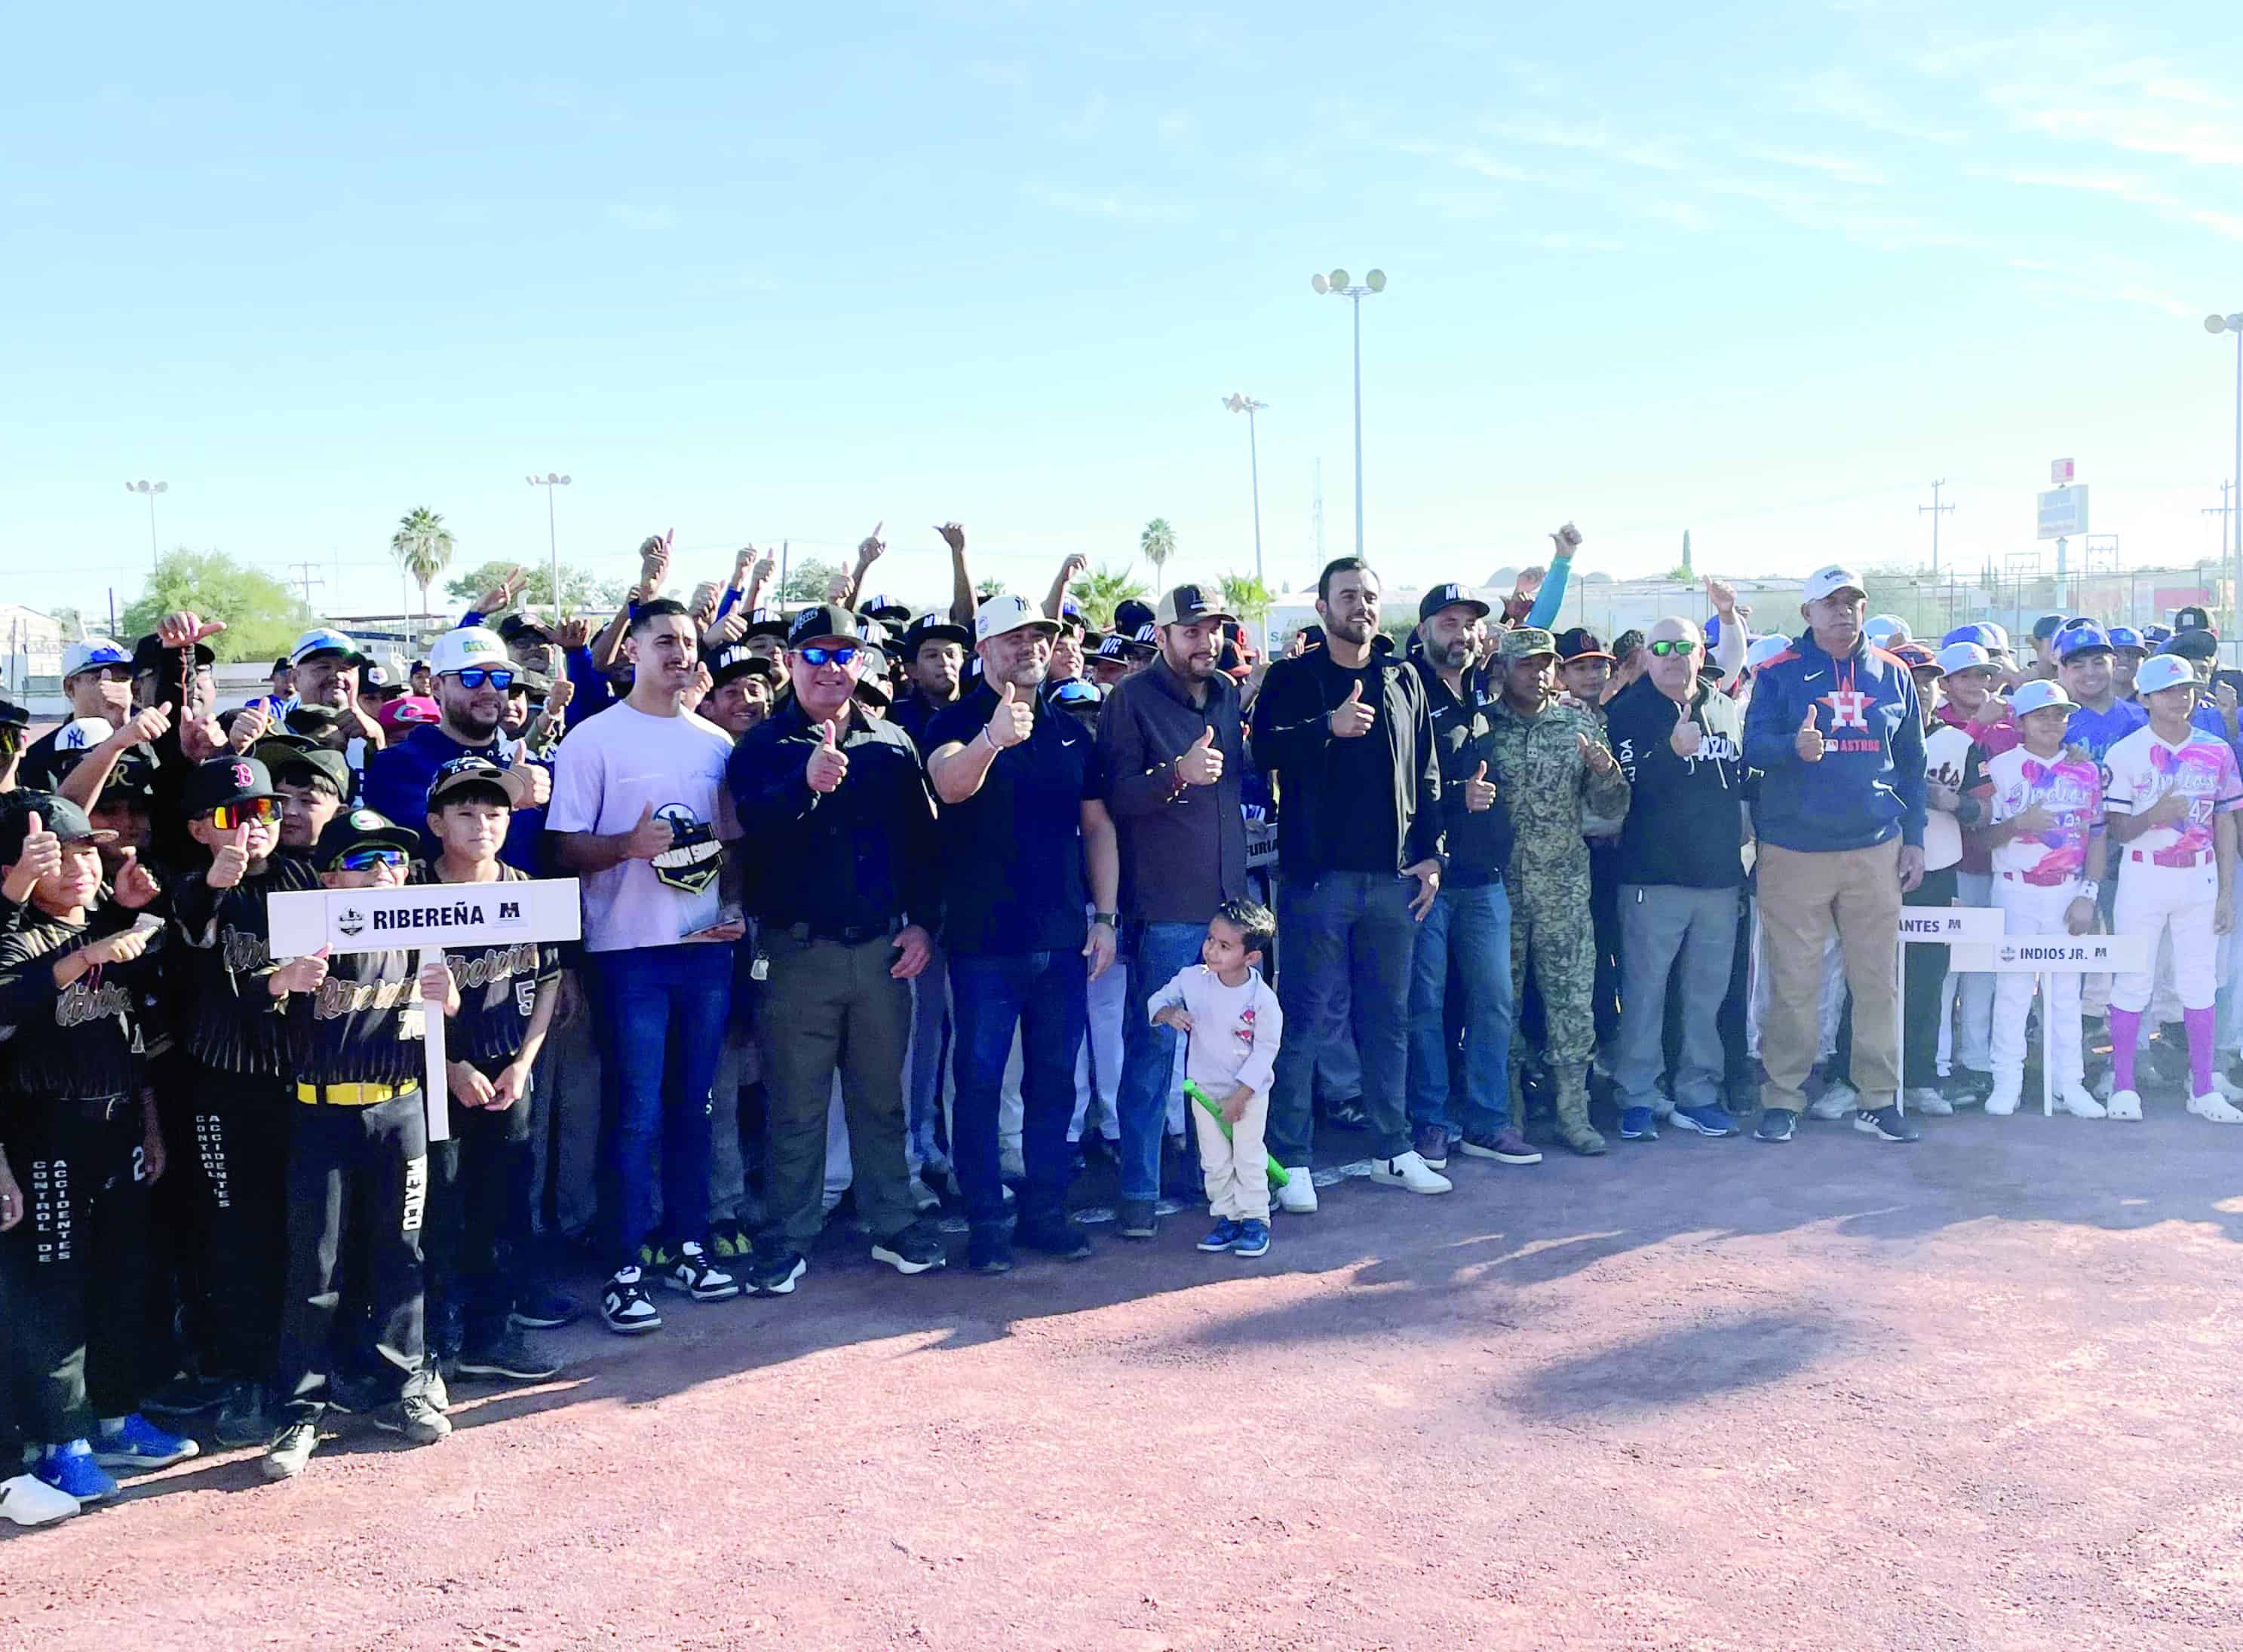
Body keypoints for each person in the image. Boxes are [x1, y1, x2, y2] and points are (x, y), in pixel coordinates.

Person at [729, 605, 945, 1291]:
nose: (829, 669)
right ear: (790, 663)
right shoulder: (761, 745)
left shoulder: (893, 743)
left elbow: (922, 847)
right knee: (796, 1105)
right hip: (796, 954)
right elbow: (752, 823)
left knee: (881, 1099)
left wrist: (924, 924)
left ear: (863, 665)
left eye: (843, 655)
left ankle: (891, 1223)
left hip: (883, 951)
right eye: (814, 655)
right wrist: (806, 782)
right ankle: (788, 1236)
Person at [548, 598, 746, 1334]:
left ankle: (689, 1244)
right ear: (630, 650)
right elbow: (564, 846)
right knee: (633, 1111)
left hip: (703, 952)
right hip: (626, 952)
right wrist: (625, 848)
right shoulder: (593, 739)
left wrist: (733, 907)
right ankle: (624, 1263)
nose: (677, 652)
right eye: (663, 640)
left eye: (687, 641)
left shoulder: (714, 742)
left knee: (692, 1104)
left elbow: (729, 843)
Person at [0, 793, 192, 1504]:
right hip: (45, 1129)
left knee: (120, 1276)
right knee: (54, 1288)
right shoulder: (19, 938)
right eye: (61, 851)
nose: (82, 864)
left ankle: (114, 1414)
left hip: (116, 1127)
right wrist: (87, 950)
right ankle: (60, 1437)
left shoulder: (112, 931)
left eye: (88, 850)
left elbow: (138, 1038)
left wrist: (148, 1122)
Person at [925, 595, 1120, 1272]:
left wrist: (1106, 916)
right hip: (984, 944)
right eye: (1012, 638)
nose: (1029, 647)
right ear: (983, 649)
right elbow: (949, 784)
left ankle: (1045, 1211)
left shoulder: (1070, 729)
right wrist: (991, 740)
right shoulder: (952, 719)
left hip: (1063, 939)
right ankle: (985, 1219)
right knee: (978, 1084)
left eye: (1039, 636)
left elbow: (1096, 827)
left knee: (1054, 1085)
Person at [260, 809, 456, 1479]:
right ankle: (300, 1409)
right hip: (322, 1114)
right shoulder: (303, 933)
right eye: (362, 859)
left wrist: (447, 998)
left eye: (393, 859)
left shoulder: (423, 929)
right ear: (327, 875)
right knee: (315, 1267)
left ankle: (403, 1385)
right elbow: (235, 1011)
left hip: (400, 1107)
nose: (381, 871)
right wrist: (279, 984)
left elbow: (443, 1014)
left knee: (401, 1251)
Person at [1248, 557, 1446, 1200]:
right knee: (1303, 1022)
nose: (1359, 605)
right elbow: (1264, 751)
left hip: (1393, 883)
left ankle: (1393, 1148)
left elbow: (1428, 773)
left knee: (1389, 1020)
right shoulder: (1293, 676)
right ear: (1322, 608)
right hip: (1318, 882)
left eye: (1368, 595)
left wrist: (1432, 854)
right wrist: (1325, 729)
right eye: (1346, 596)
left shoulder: (1403, 677)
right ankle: (1293, 1160)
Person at [166, 756, 322, 1448]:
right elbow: (191, 959)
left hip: (297, 1078)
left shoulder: (299, 874)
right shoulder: (189, 887)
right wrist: (209, 888)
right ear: (201, 827)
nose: (255, 825)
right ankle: (239, 1376)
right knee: (233, 1235)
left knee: (300, 1227)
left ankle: (296, 1371)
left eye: (264, 810)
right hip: (222, 1086)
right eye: (233, 815)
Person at [1741, 564, 1928, 1145]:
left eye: (1853, 601)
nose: (1843, 611)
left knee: (1877, 982)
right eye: (1831, 602)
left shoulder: (1894, 673)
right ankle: (1783, 1097)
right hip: (1794, 849)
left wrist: (1915, 838)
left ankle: (1877, 1096)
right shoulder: (1778, 673)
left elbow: (1913, 766)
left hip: (1875, 848)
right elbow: (1752, 748)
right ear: (1808, 614)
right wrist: (1792, 747)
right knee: (1794, 981)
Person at [1095, 584, 1251, 1237]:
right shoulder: (1127, 700)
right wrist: (1177, 774)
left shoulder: (1224, 693)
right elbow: (1111, 800)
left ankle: (1205, 1177)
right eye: (1190, 631)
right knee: (1155, 1051)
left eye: (1212, 629)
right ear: (1161, 637)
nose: (1204, 641)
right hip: (1165, 910)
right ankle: (1138, 1191)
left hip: (1226, 909)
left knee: (1219, 1055)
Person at [415, 757, 563, 1383]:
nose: (482, 825)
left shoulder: (527, 887)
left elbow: (550, 979)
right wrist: (448, 1064)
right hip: (430, 1070)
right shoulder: (411, 893)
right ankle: (436, 1341)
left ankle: (490, 1334)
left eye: (495, 812)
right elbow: (388, 990)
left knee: (503, 1203)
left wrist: (525, 1062)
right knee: (438, 1208)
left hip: (508, 1071)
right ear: (436, 821)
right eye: (466, 812)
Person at [1484, 627, 1632, 1154]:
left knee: (1572, 1004)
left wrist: (1604, 770)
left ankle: (1575, 1113)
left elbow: (1613, 808)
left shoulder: (1578, 723)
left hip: (1564, 888)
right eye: (1527, 665)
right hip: (1500, 890)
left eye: (1546, 664)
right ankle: (1508, 1114)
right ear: (1504, 669)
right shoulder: (1486, 727)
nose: (1539, 673)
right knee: (1502, 1004)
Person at [1604, 615, 1749, 1140]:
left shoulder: (1725, 707)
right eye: (1660, 646)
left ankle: (1698, 1093)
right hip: (1652, 878)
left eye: (1682, 645)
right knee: (1643, 994)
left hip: (1717, 879)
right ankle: (1638, 1095)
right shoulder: (1625, 710)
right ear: (1644, 655)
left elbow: (1740, 779)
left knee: (1705, 996)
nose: (1671, 655)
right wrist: (1670, 751)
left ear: (1700, 649)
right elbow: (1621, 788)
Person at [1407, 584, 1534, 1166]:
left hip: (1483, 878)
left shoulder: (1483, 689)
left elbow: (1530, 646)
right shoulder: (1404, 688)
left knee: (1494, 1003)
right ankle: (1430, 1121)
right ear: (1426, 626)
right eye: (1449, 622)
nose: (1460, 633)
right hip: (1426, 878)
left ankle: (1487, 1120)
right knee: (1425, 1007)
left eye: (1468, 624)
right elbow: (1399, 783)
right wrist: (1460, 796)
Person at [2101, 654, 2241, 1122]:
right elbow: (2117, 830)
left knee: (2199, 982)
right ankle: (2123, 1086)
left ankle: (2203, 1089)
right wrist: (2154, 816)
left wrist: (2226, 891)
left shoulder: (2215, 748)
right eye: (2168, 690)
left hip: (2199, 874)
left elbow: (2226, 821)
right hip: (2144, 872)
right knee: (2134, 979)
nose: (2180, 697)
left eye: (2186, 688)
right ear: (2145, 698)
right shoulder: (2126, 752)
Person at [1975, 681, 2108, 1118]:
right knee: (2013, 989)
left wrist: (2088, 894)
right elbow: (1983, 838)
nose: (2053, 723)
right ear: (2022, 722)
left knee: (2065, 992)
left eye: (2060, 715)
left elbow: (2096, 838)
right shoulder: (2001, 767)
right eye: (2042, 715)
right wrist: (2019, 823)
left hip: (2067, 889)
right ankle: (2006, 1080)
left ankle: (2070, 1083)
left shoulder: (2086, 770)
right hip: (2014, 887)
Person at [1147, 899, 1284, 1259]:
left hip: (1248, 1095)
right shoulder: (1192, 980)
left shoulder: (1263, 1000)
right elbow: (1157, 1000)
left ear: (1251, 957)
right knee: (1214, 1159)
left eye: (1225, 946)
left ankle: (1256, 1220)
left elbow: (1266, 1050)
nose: (1211, 950)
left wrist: (1240, 1096)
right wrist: (1169, 1013)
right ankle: (1227, 1217)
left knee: (1249, 1156)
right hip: (1204, 1092)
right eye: (1210, 939)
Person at [364, 627, 551, 872]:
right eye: (471, 677)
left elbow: (558, 861)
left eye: (500, 678)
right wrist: (506, 800)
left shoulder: (534, 768)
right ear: (437, 687)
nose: (489, 690)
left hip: (528, 908)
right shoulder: (394, 768)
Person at [17, 638, 135, 790]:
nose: (112, 687)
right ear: (70, 688)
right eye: (98, 679)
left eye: (122, 679)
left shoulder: (149, 745)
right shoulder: (39, 757)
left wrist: (124, 731)